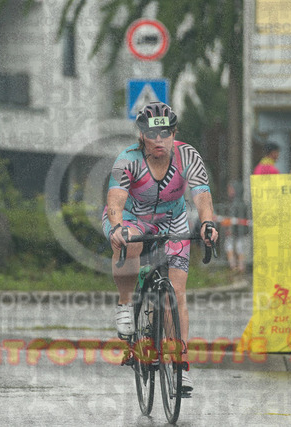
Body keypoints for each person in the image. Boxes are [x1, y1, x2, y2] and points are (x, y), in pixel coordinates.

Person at [102, 101, 219, 393]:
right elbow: (115, 200)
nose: (159, 139)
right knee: (129, 243)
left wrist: (207, 223)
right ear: (142, 135)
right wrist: (117, 227)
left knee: (176, 293)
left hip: (172, 221)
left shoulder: (187, 155)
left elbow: (202, 194)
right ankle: (126, 303)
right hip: (132, 218)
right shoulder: (128, 159)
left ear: (173, 133)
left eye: (165, 133)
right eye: (152, 134)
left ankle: (179, 364)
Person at [224, 181, 249, 274]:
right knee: (238, 248)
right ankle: (238, 268)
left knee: (232, 247)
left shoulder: (235, 204)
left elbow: (234, 218)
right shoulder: (240, 203)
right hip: (240, 231)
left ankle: (235, 268)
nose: (229, 191)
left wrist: (230, 229)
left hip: (237, 232)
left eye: (230, 189)